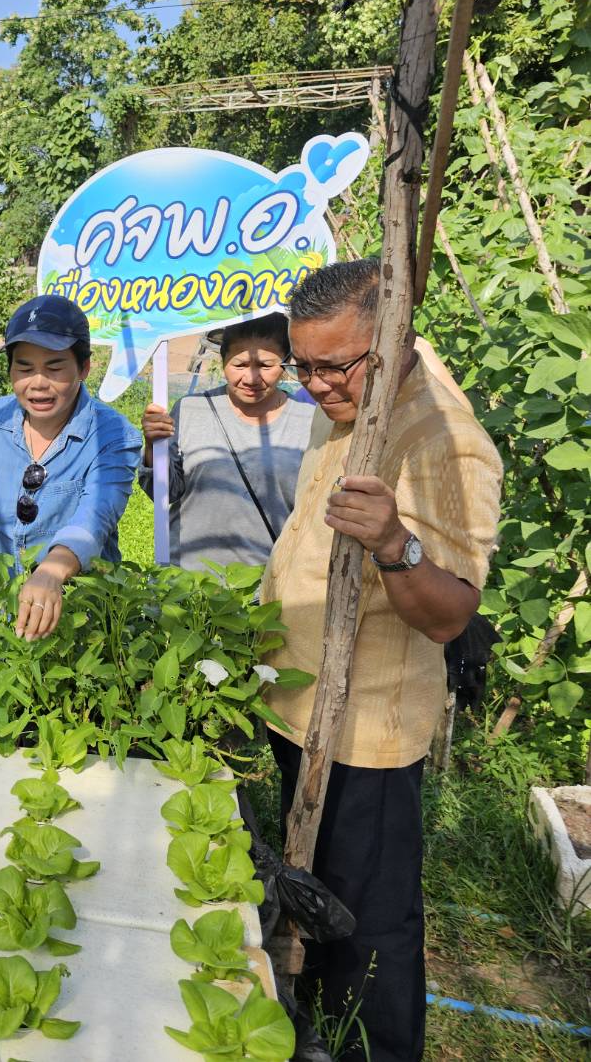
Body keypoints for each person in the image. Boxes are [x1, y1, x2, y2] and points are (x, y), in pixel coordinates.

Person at [259, 259, 502, 1062]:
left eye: (334, 366)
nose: (315, 385)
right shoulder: (349, 402)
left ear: (394, 339)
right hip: (301, 710)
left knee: (371, 923)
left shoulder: (444, 444)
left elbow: (450, 612)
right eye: (302, 365)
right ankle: (316, 1025)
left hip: (364, 731)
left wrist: (396, 545)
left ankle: (377, 1048)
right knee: (316, 892)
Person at [0, 294, 141, 641]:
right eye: (25, 368)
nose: (38, 382)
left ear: (84, 368)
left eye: (55, 368)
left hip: (77, 623)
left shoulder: (113, 435)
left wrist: (52, 571)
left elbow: (96, 515)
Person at [138, 313, 315, 571]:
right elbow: (164, 493)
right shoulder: (190, 409)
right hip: (186, 579)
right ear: (223, 361)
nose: (251, 378)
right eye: (239, 365)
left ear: (287, 362)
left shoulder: (308, 420)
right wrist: (153, 446)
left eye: (265, 365)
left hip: (268, 582)